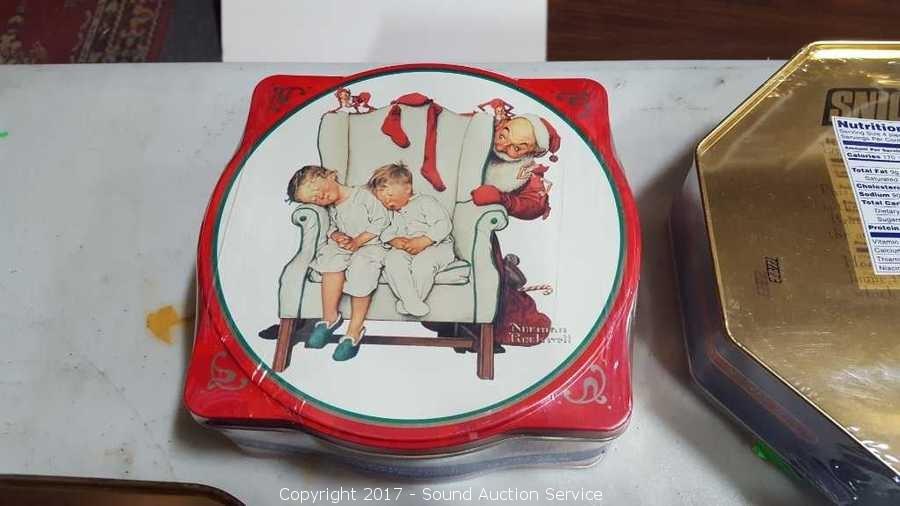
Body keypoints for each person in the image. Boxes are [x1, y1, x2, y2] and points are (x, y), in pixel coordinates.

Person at [286, 165, 389, 361]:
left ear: (331, 176)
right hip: (347, 244)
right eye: (315, 200)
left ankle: (353, 332)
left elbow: (381, 222)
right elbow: (332, 226)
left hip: (371, 244)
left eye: (319, 190)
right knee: (330, 259)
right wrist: (336, 235)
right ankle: (329, 319)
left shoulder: (362, 196)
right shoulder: (332, 206)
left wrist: (358, 241)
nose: (321, 198)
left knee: (362, 268)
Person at [369, 163, 455, 317]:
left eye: (390, 195)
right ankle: (411, 301)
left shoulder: (425, 202)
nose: (387, 202)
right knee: (392, 260)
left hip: (437, 247)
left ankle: (410, 303)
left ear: (407, 189)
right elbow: (385, 230)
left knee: (423, 264)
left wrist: (425, 240)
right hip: (407, 248)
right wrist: (393, 240)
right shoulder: (392, 212)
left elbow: (443, 224)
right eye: (383, 200)